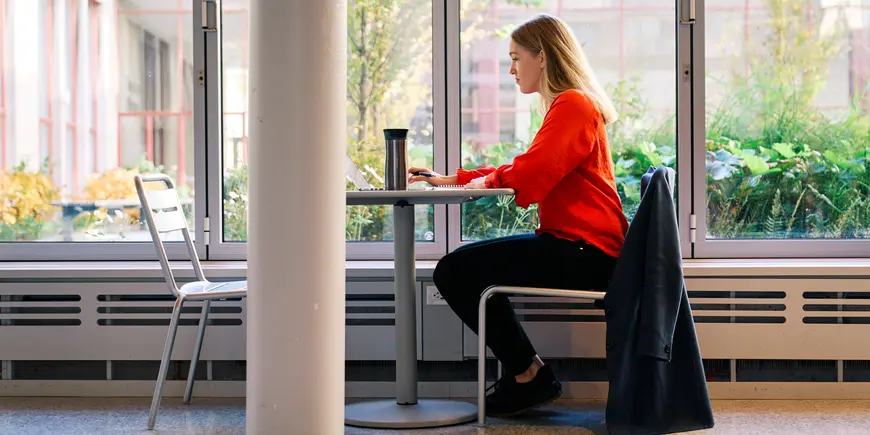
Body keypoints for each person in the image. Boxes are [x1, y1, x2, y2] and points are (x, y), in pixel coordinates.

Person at [408, 14, 629, 417]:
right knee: (462, 269)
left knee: (456, 271)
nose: (511, 69)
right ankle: (527, 373)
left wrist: (483, 183)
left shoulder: (573, 104)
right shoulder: (567, 106)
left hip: (586, 251)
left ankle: (528, 375)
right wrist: (452, 179)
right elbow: (527, 165)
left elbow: (532, 172)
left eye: (515, 58)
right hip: (578, 245)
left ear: (541, 57)